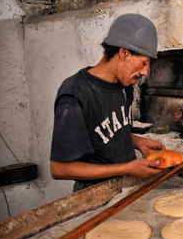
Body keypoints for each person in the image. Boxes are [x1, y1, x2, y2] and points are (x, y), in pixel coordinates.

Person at [49, 13, 165, 192]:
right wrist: (127, 168)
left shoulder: (124, 85)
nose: (144, 72)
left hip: (126, 190)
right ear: (124, 53)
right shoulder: (76, 95)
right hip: (96, 196)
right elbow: (59, 168)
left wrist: (138, 142)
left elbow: (105, 134)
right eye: (143, 63)